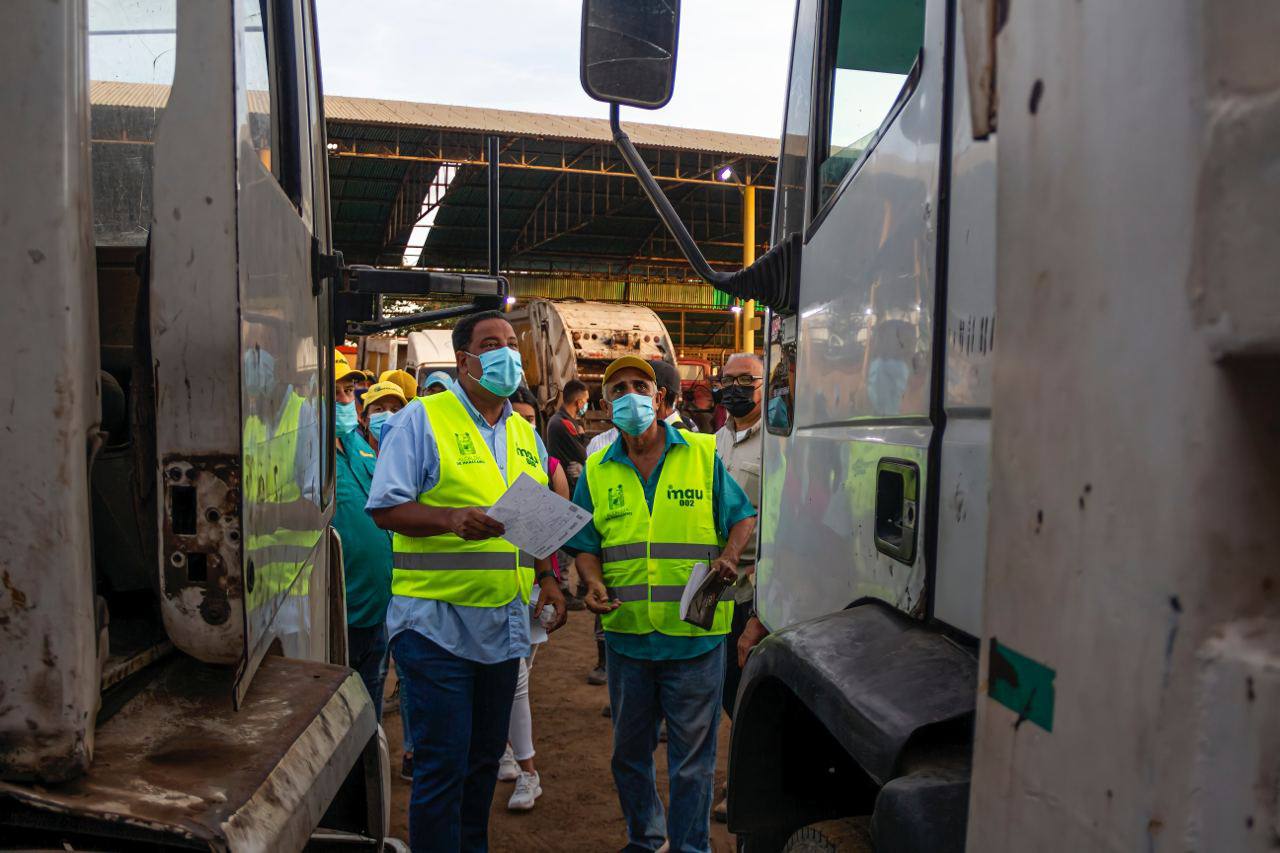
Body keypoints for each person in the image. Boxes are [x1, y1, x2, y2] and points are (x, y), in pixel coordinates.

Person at [367, 310, 567, 853]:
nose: (505, 352)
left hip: (502, 626)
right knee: (442, 765)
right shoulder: (421, 420)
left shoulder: (525, 433)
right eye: (490, 343)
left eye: (510, 343)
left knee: (483, 763)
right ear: (465, 360)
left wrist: (548, 576)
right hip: (434, 627)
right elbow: (384, 509)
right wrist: (450, 518)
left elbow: (533, 516)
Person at [564, 356, 757, 853]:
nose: (631, 395)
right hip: (629, 636)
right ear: (607, 406)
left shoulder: (699, 452)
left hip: (695, 638)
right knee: (630, 755)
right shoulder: (598, 469)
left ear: (661, 398)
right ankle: (646, 839)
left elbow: (741, 516)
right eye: (620, 388)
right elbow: (585, 543)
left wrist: (731, 556)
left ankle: (691, 847)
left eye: (640, 385)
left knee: (693, 761)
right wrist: (590, 581)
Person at [495, 387, 572, 811]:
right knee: (509, 681)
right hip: (493, 586)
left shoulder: (543, 460)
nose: (521, 425)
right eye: (514, 418)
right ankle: (512, 756)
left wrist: (548, 577)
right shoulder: (489, 462)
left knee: (519, 677)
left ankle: (526, 769)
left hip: (530, 583)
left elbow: (555, 524)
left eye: (528, 419)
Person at [708, 353, 764, 822]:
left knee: (748, 695)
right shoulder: (713, 443)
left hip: (753, 590)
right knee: (726, 691)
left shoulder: (782, 444)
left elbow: (787, 529)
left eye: (748, 379)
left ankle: (742, 787)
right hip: (716, 588)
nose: (738, 387)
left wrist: (764, 611)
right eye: (730, 379)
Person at [333, 355, 396, 720]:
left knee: (368, 707)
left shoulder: (358, 445)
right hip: (342, 610)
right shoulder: (307, 453)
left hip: (378, 606)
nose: (345, 399)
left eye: (348, 391)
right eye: (335, 390)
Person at [545, 379, 590, 489]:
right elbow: (584, 454)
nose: (586, 404)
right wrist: (583, 436)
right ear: (579, 402)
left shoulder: (561, 420)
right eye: (586, 400)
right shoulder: (563, 423)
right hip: (566, 487)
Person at [360, 380, 407, 448]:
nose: (388, 415)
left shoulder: (409, 457)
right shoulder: (354, 456)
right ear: (364, 420)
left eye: (395, 410)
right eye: (379, 409)